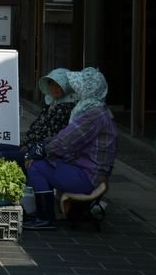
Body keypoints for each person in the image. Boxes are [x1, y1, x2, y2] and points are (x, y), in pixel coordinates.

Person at [23, 67, 117, 231]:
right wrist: (43, 147)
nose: (75, 89)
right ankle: (43, 213)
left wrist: (41, 150)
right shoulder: (93, 109)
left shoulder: (93, 114)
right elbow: (65, 137)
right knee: (41, 161)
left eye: (79, 86)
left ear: (88, 89)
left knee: (35, 166)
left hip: (87, 176)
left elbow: (66, 141)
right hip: (87, 171)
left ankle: (45, 217)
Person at [0, 68, 76, 169]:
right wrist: (26, 144)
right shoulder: (51, 104)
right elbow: (36, 128)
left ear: (66, 86)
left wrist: (30, 149)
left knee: (2, 156)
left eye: (58, 85)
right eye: (52, 84)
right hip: (29, 146)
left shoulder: (65, 108)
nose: (54, 88)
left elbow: (48, 138)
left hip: (40, 154)